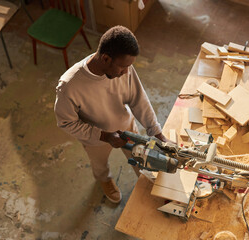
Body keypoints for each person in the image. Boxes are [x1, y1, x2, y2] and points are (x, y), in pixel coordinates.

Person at [54, 25, 169, 204]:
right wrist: (104, 136)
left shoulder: (125, 67)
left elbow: (138, 99)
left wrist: (156, 132)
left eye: (128, 67)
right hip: (95, 138)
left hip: (125, 125)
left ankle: (146, 180)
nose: (126, 72)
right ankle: (105, 180)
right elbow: (66, 123)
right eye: (122, 68)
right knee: (99, 165)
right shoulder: (69, 85)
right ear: (106, 58)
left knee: (140, 156)